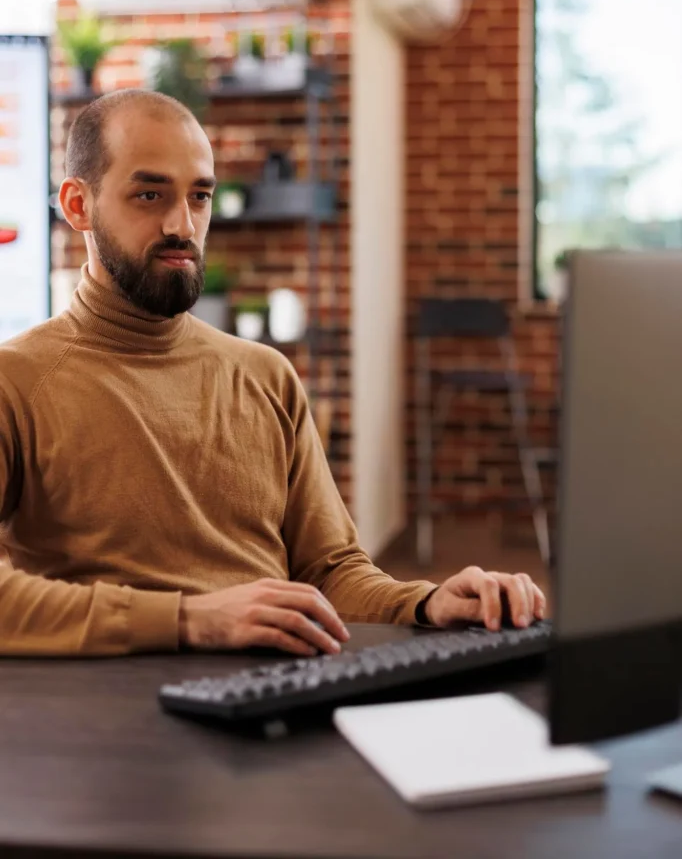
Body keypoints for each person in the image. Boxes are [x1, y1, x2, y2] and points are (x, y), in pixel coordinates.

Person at [0, 90, 545, 658]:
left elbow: (331, 572)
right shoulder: (16, 382)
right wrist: (188, 619)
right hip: (112, 718)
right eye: (149, 194)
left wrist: (427, 604)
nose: (182, 225)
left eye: (200, 196)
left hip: (274, 700)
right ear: (77, 205)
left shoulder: (265, 375)